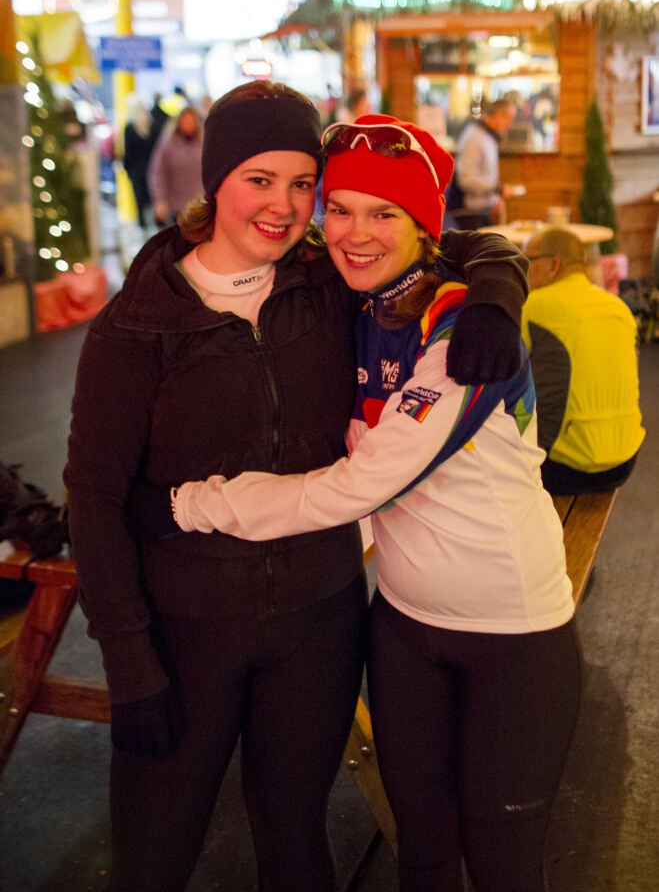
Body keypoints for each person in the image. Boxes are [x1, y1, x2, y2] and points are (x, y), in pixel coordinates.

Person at [64, 83, 530, 892]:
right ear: (216, 181)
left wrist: (496, 290)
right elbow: (94, 498)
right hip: (186, 630)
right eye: (259, 179)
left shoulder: (324, 280)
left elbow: (439, 236)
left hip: (318, 619)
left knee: (294, 835)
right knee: (153, 855)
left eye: (301, 183)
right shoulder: (138, 322)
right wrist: (129, 661)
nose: (282, 206)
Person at [169, 113, 582, 892]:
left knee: (503, 868)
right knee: (420, 855)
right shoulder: (353, 301)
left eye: (384, 213)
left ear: (420, 226)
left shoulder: (459, 327)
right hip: (400, 626)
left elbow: (360, 484)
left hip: (512, 638)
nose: (356, 234)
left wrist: (195, 503)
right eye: (340, 209)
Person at [522, 227, 645, 495]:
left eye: (528, 260)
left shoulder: (533, 306)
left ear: (553, 265)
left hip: (565, 467)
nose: (523, 270)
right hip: (625, 460)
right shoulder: (619, 308)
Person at [446, 98, 517, 230]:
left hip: (479, 210)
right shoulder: (474, 137)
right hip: (468, 212)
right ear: (498, 115)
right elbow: (466, 179)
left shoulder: (486, 136)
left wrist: (494, 199)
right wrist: (497, 189)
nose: (510, 125)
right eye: (509, 119)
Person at [148, 105, 203, 225]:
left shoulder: (202, 143)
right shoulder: (168, 143)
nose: (188, 123)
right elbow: (158, 172)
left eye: (191, 120)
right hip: (175, 206)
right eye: (185, 120)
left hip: (199, 205)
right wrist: (159, 199)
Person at [123, 95, 157, 229]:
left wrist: (127, 169)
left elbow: (128, 152)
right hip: (150, 169)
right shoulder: (152, 127)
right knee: (151, 199)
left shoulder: (130, 128)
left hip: (137, 171)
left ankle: (143, 226)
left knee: (140, 201)